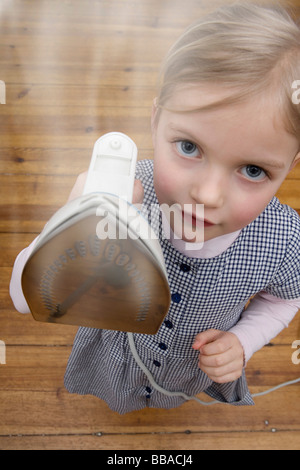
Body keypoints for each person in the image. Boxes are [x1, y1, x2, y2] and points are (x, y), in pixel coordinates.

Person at [10, 2, 300, 413]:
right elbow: (25, 299)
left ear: (290, 166)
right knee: (119, 397)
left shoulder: (285, 241)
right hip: (117, 356)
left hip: (186, 364)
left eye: (252, 170)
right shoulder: (120, 200)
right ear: (156, 121)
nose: (209, 195)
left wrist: (243, 340)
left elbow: (284, 299)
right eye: (189, 147)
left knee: (168, 400)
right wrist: (69, 224)